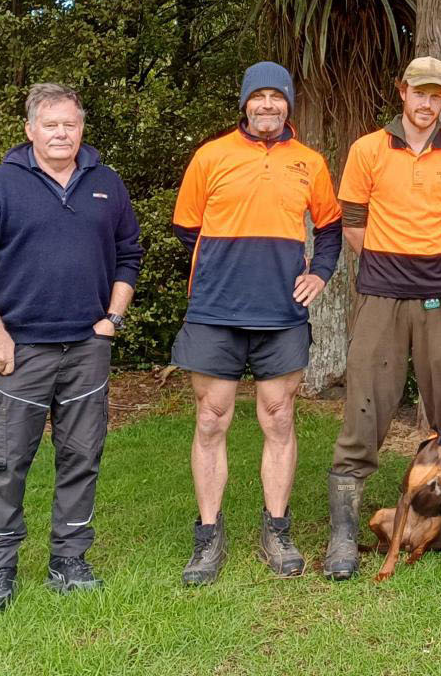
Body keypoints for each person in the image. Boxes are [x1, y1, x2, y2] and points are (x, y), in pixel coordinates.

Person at [0, 83, 143, 616]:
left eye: (70, 125)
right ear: (30, 129)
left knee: (82, 457)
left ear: (82, 128)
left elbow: (130, 254)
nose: (62, 134)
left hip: (87, 347)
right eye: (50, 125)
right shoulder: (0, 188)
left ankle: (69, 561)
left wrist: (112, 319)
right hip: (21, 350)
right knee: (8, 462)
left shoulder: (107, 184)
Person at [170, 61, 342, 585]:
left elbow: (330, 229)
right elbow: (186, 231)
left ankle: (277, 530)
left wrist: (320, 275)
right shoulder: (211, 156)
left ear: (288, 103)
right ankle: (207, 535)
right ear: (245, 102)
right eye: (258, 96)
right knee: (211, 418)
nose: (267, 105)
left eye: (277, 96)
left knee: (279, 417)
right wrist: (226, 271)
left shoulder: (309, 163)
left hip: (281, 313)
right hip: (215, 311)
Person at [324, 56, 441, 579]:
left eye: (436, 95)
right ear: (402, 92)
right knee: (366, 402)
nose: (426, 103)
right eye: (419, 93)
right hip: (381, 296)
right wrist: (391, 261)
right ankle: (345, 534)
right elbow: (352, 221)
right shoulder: (368, 149)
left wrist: (429, 261)